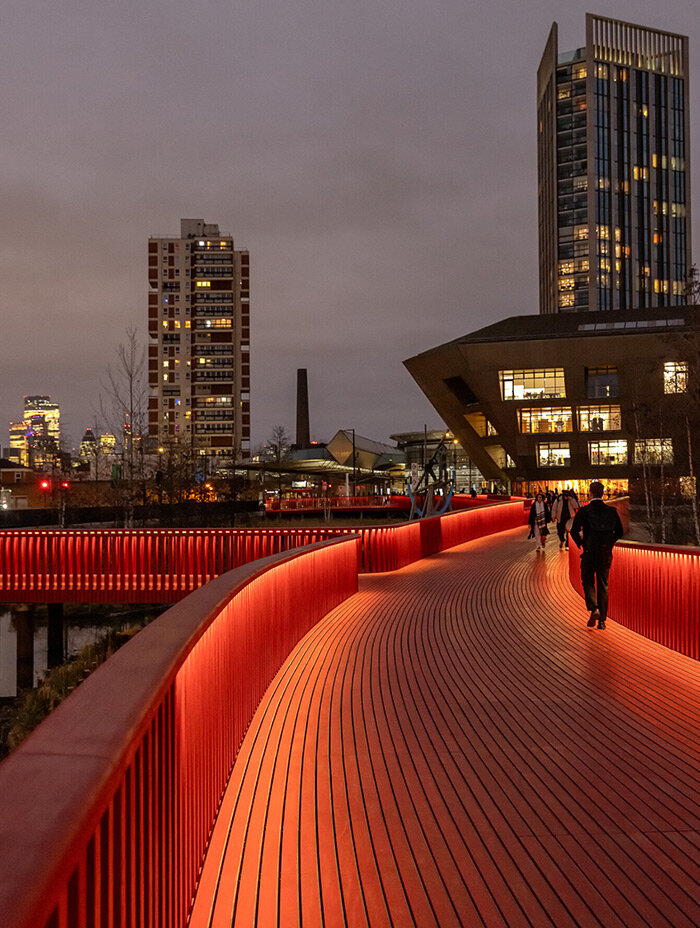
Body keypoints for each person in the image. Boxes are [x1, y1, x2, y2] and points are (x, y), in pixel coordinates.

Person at [569, 481, 624, 630]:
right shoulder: (611, 511)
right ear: (603, 493)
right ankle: (602, 622)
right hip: (605, 553)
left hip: (589, 552)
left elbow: (574, 531)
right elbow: (619, 532)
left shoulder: (584, 512)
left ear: (590, 493)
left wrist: (582, 544)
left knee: (587, 580)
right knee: (603, 584)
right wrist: (609, 543)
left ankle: (594, 609)